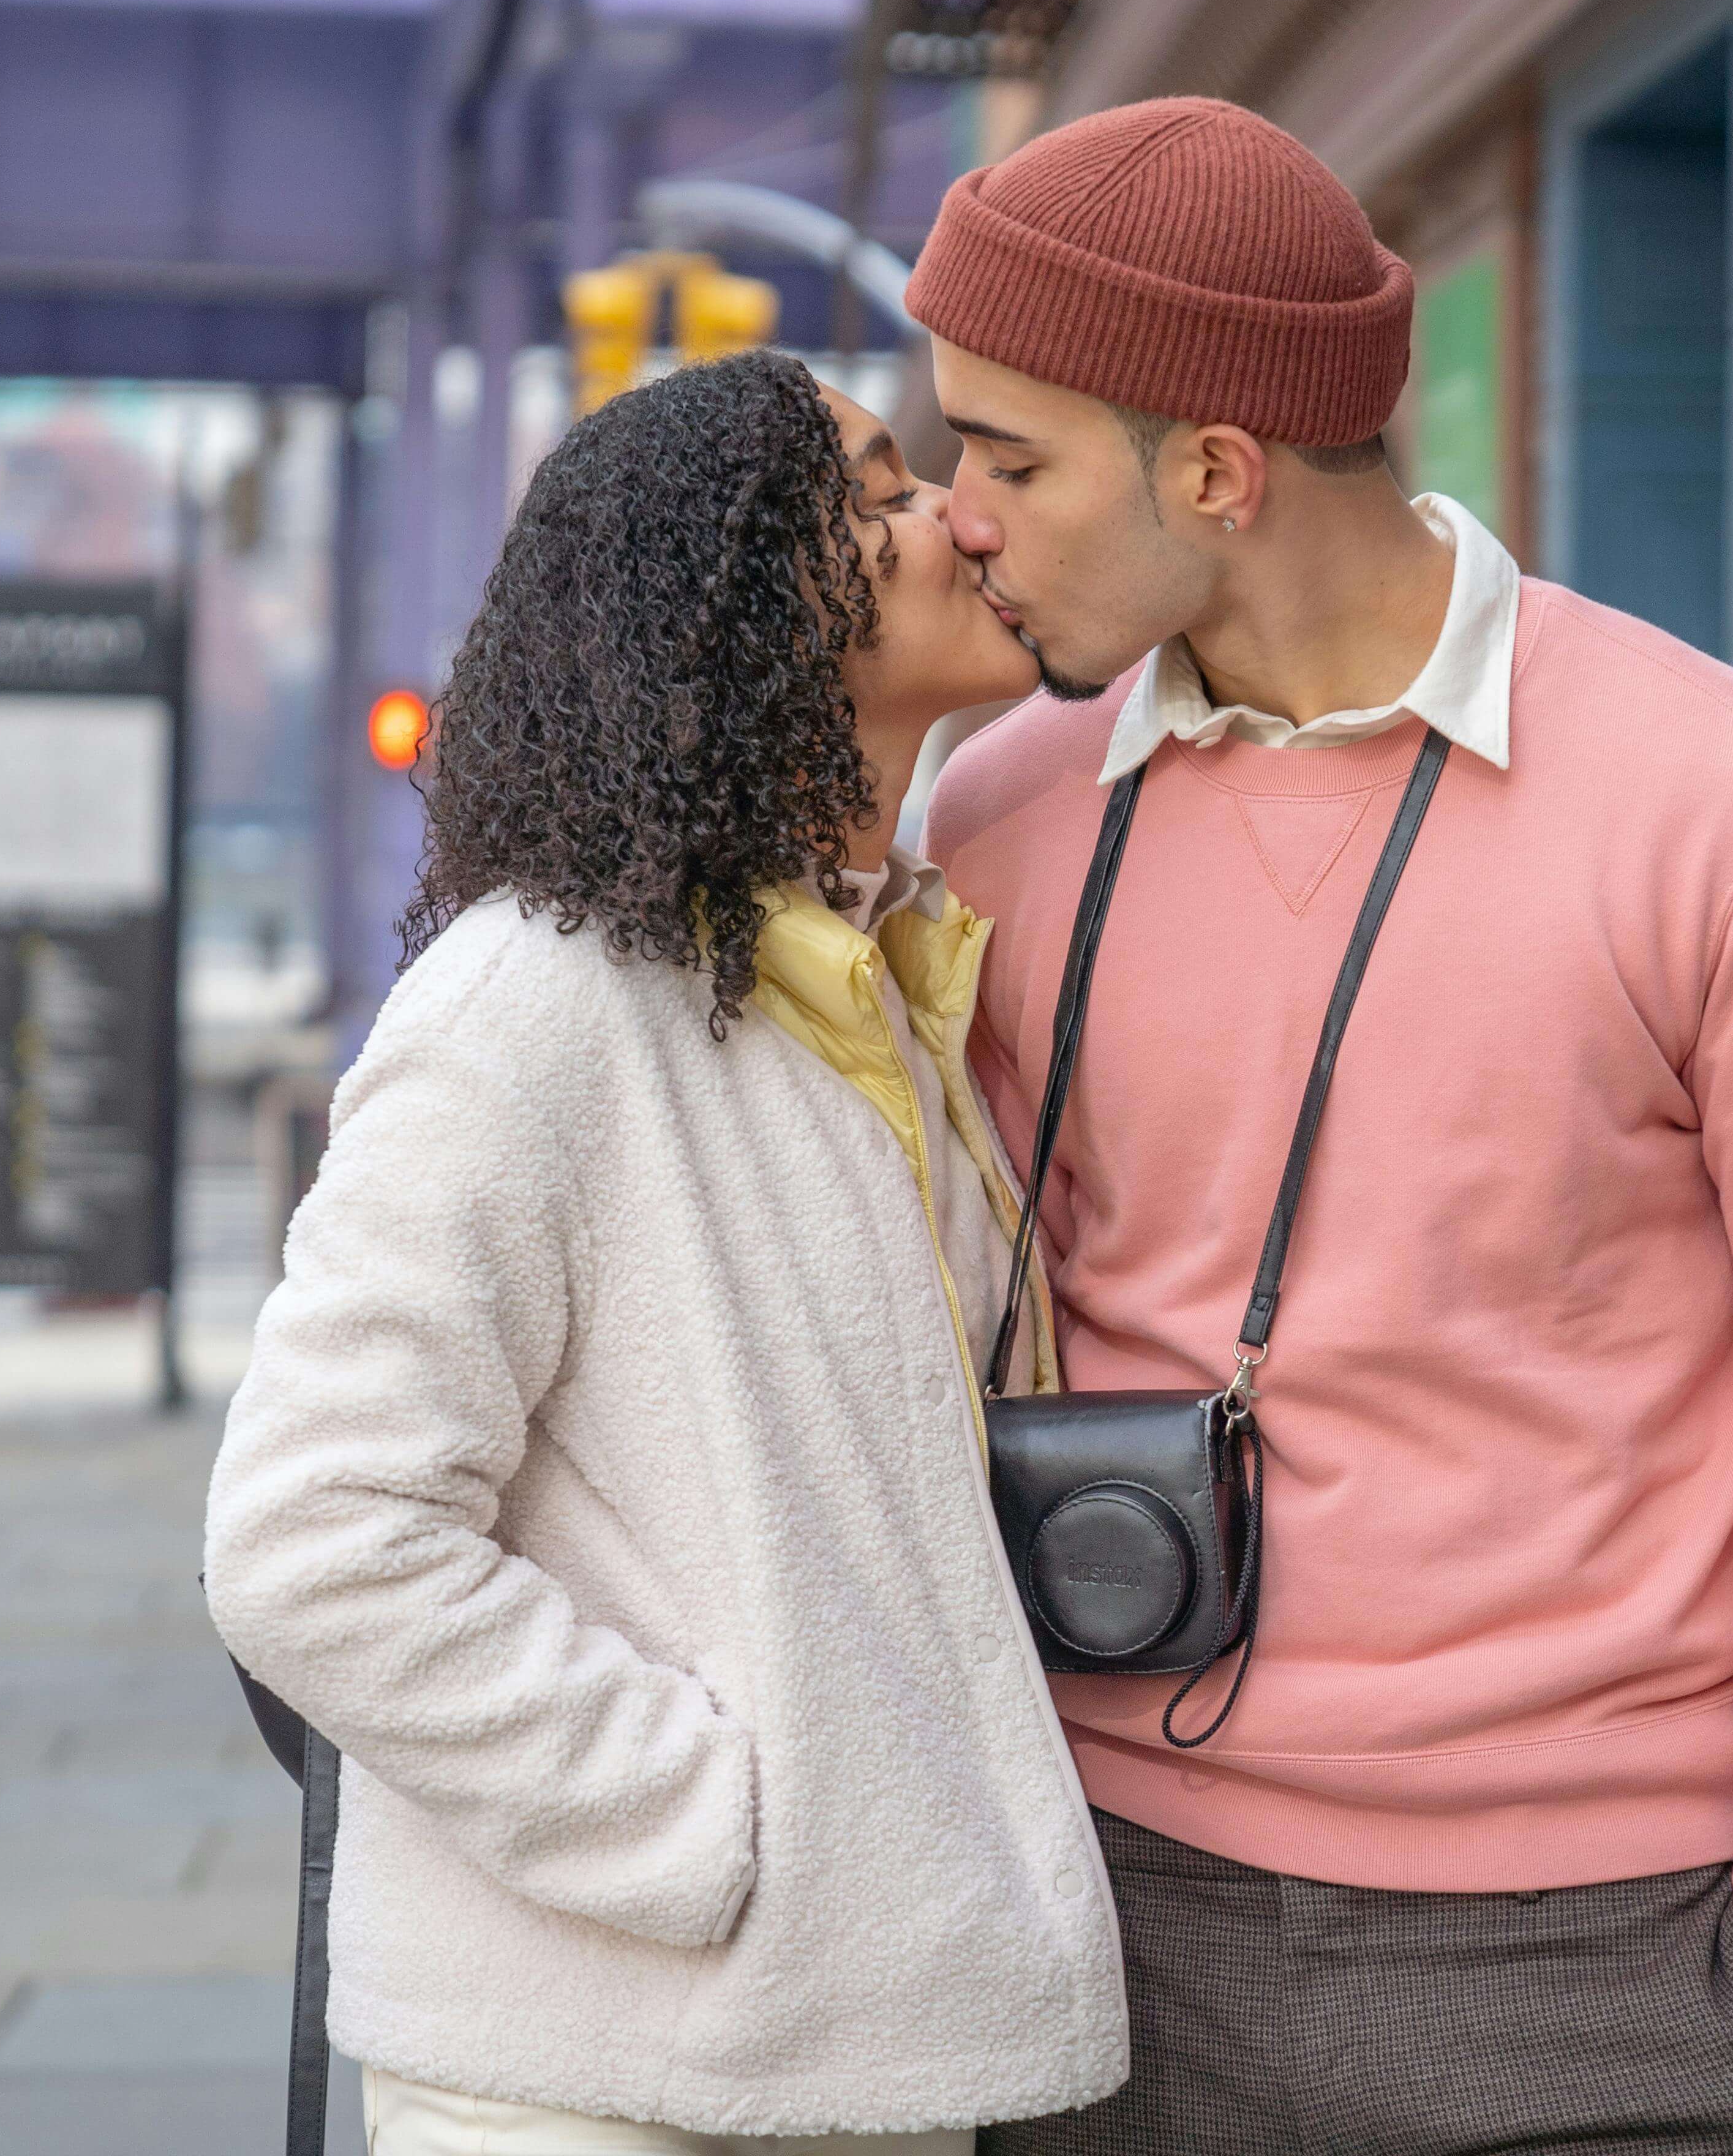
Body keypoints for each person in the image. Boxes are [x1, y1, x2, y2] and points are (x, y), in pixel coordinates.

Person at [909, 97, 1733, 2156]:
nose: (964, 518)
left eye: (1012, 459)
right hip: (1101, 1928)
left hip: (1619, 1967)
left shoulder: (1727, 802)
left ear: (1216, 471)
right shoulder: (999, 819)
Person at [204, 352, 1124, 2156]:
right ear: (739, 596)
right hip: (600, 2076)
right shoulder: (529, 1006)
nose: (957, 518)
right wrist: (709, 1823)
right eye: (881, 491)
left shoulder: (868, 981)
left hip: (855, 2050)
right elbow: (312, 1539)